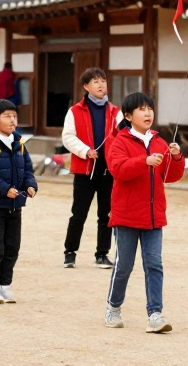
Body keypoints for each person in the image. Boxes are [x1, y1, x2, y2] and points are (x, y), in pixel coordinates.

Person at [104, 91, 185, 333]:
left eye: (149, 108)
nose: (147, 112)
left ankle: (155, 314)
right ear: (128, 116)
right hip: (127, 216)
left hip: (153, 216)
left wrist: (177, 157)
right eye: (141, 109)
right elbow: (118, 169)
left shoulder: (160, 142)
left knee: (154, 265)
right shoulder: (120, 141)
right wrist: (144, 161)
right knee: (124, 266)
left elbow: (170, 176)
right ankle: (113, 308)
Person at [0, 99, 38, 304]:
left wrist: (30, 185)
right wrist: (5, 190)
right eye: (7, 116)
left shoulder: (20, 145)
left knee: (13, 247)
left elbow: (27, 170)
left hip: (15, 206)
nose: (12, 120)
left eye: (14, 116)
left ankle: (5, 285)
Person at [60, 67, 121, 268]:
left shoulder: (116, 112)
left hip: (108, 170)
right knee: (79, 213)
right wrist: (85, 151)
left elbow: (122, 137)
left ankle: (102, 254)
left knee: (106, 214)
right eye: (95, 81)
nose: (101, 84)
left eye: (103, 80)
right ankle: (70, 252)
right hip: (85, 170)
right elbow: (68, 137)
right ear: (86, 86)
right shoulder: (75, 111)